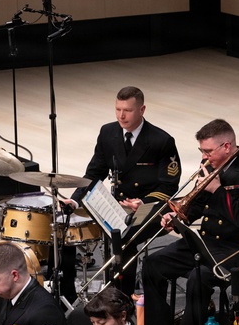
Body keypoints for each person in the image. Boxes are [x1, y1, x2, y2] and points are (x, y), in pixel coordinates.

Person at [141, 118, 239, 325]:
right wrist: (178, 217)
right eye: (202, 150)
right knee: (153, 264)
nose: (204, 156)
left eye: (208, 150)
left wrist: (218, 191)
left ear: (227, 147)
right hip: (207, 242)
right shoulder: (210, 166)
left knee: (197, 277)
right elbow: (197, 203)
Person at [68, 86, 181, 294]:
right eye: (118, 109)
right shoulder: (107, 132)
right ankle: (66, 289)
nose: (121, 115)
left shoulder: (161, 141)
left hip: (150, 207)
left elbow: (169, 186)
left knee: (124, 238)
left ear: (142, 109)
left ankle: (122, 296)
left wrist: (143, 202)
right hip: (117, 206)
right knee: (65, 225)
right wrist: (74, 201)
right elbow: (94, 173)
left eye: (127, 110)